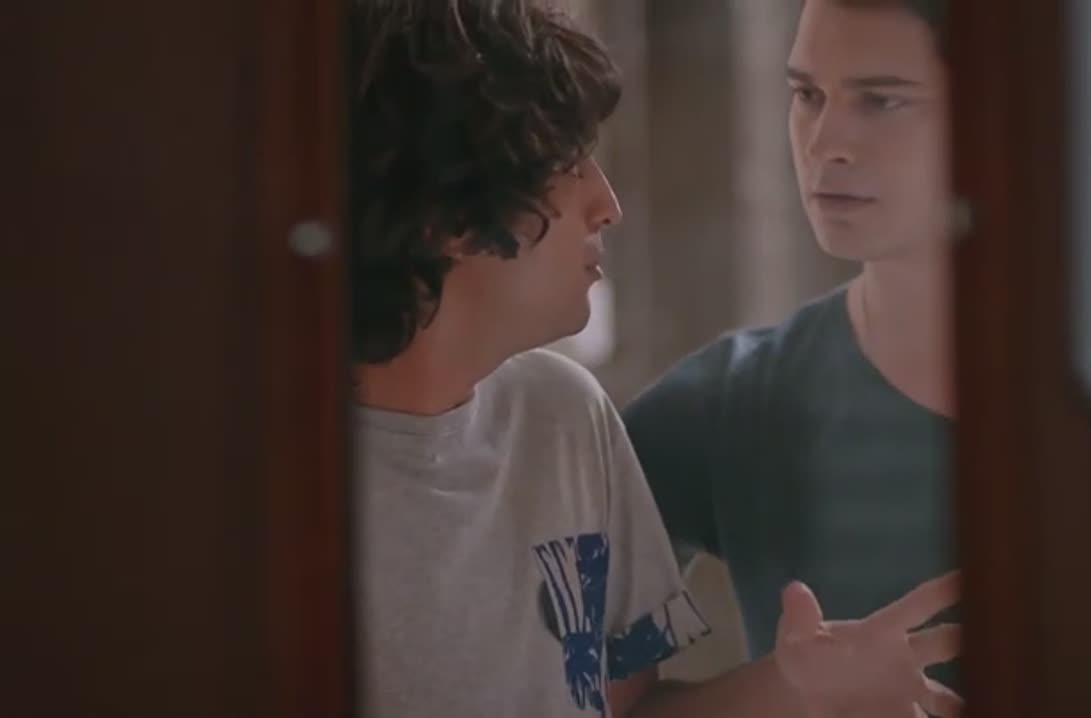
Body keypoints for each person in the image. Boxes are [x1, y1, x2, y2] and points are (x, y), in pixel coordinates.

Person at [350, 1, 959, 716]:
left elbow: (626, 707)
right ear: (447, 208)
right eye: (564, 162)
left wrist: (795, 688)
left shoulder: (567, 418)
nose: (608, 203)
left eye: (881, 100)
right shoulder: (275, 485)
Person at [624, 0, 963, 695]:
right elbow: (561, 693)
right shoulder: (730, 404)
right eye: (807, 95)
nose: (824, 143)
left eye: (882, 100)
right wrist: (788, 692)